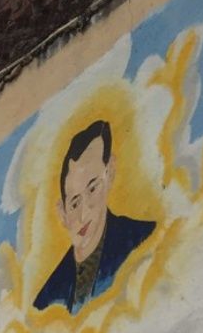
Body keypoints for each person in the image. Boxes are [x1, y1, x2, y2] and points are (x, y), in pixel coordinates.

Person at [33, 120, 153, 313]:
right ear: (62, 213)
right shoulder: (47, 299)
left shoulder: (144, 240)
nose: (84, 214)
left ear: (110, 173)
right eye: (74, 203)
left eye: (92, 188)